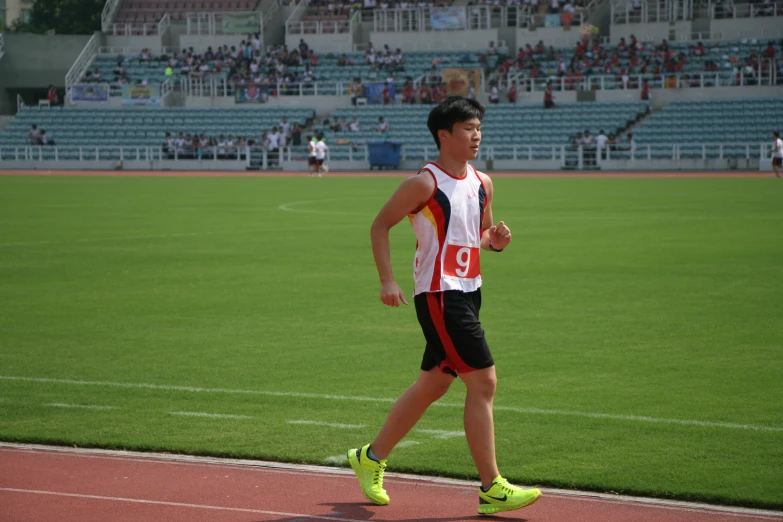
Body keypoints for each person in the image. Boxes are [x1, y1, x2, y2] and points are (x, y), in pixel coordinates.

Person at [347, 96, 542, 516]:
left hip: (469, 291)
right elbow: (380, 225)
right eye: (468, 128)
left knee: (434, 385)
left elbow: (482, 235)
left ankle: (370, 457)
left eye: (479, 128)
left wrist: (497, 242)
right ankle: (492, 487)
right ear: (444, 135)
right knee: (484, 382)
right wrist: (387, 278)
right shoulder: (424, 183)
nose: (477, 135)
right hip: (439, 295)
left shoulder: (483, 182)